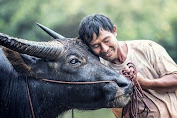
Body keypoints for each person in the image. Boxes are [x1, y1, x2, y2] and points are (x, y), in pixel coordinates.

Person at [78, 14, 177, 118]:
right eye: (96, 46)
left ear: (114, 31)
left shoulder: (147, 48)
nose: (105, 49)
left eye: (107, 40)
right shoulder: (99, 69)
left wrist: (146, 83)